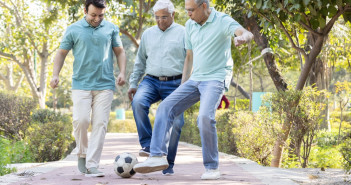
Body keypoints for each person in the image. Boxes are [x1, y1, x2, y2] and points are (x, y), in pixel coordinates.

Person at [133, 0, 253, 180]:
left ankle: (212, 167)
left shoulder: (222, 21)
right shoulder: (190, 25)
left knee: (204, 117)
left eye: (191, 10)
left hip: (215, 78)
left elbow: (246, 32)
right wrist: (183, 85)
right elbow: (189, 56)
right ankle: (156, 156)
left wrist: (242, 37)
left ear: (204, 6)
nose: (188, 14)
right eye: (186, 10)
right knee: (165, 107)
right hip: (195, 79)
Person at [50, 0, 126, 177]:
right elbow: (61, 53)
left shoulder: (111, 28)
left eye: (101, 15)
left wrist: (122, 72)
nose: (97, 19)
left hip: (105, 84)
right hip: (81, 84)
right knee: (81, 120)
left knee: (100, 124)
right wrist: (55, 74)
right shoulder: (73, 29)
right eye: (93, 15)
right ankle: (82, 153)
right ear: (85, 10)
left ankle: (92, 164)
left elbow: (120, 51)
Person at [128, 0, 186, 175]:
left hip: (176, 82)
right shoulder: (148, 34)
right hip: (151, 81)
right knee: (138, 102)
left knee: (177, 122)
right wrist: (133, 83)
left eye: (164, 17)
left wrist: (187, 84)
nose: (160, 21)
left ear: (173, 15)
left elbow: (191, 61)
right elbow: (140, 62)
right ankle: (148, 144)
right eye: (157, 17)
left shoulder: (184, 33)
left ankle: (168, 163)